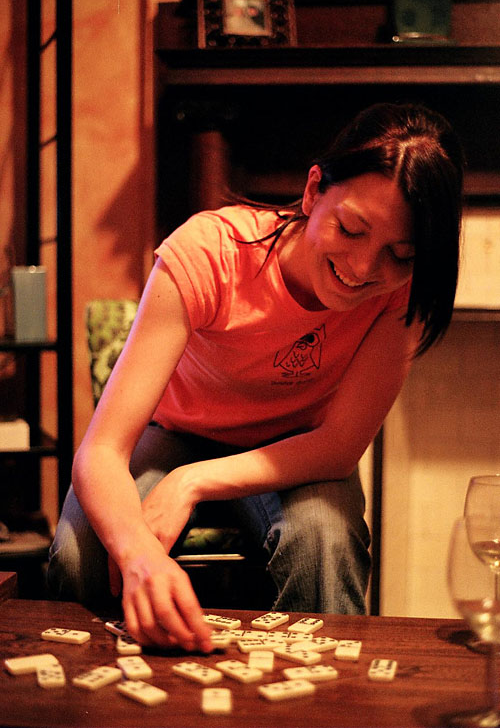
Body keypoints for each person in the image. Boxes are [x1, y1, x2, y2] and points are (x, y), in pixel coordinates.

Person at [48, 102, 464, 653]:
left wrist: (191, 483)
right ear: (314, 190)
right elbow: (100, 453)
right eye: (351, 229)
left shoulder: (400, 294)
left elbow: (338, 449)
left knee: (326, 538)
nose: (365, 270)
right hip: (175, 434)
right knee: (81, 552)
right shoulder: (207, 252)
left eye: (400, 254)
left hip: (300, 448)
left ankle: (324, 707)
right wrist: (137, 554)